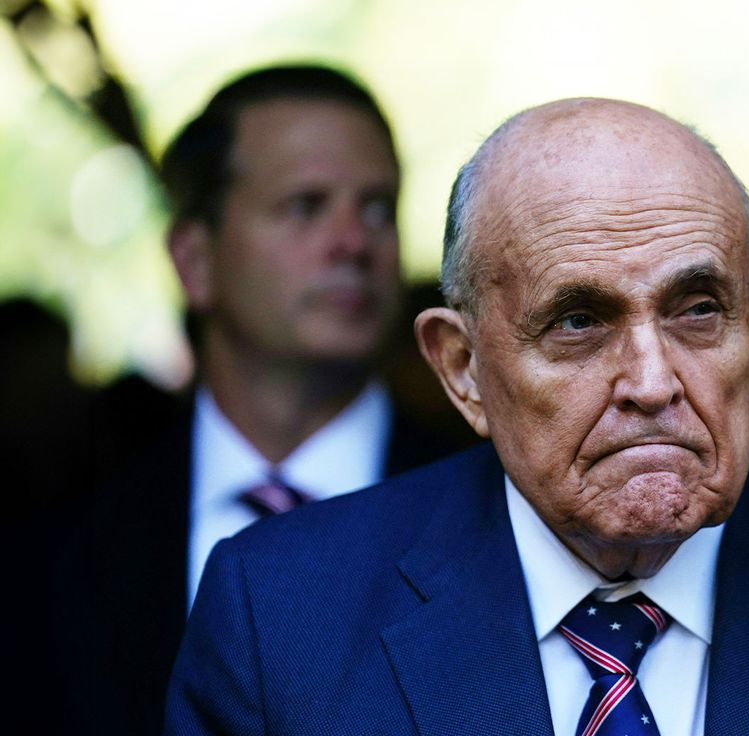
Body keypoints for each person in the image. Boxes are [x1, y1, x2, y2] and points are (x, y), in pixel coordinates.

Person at [166, 98, 749, 734]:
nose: (653, 379)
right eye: (578, 322)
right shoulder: (283, 617)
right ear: (461, 369)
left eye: (697, 311)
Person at [43, 65, 456, 736]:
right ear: (194, 261)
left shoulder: (495, 508)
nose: (354, 242)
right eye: (305, 205)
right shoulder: (61, 549)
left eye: (378, 208)